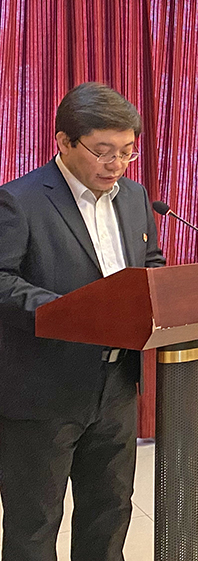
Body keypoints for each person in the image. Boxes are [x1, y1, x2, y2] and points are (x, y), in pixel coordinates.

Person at [0, 83, 165, 561]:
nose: (116, 164)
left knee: (109, 511)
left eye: (127, 151)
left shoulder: (134, 197)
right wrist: (69, 312)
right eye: (103, 150)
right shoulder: (19, 200)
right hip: (43, 388)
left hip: (117, 383)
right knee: (35, 523)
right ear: (64, 141)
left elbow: (150, 263)